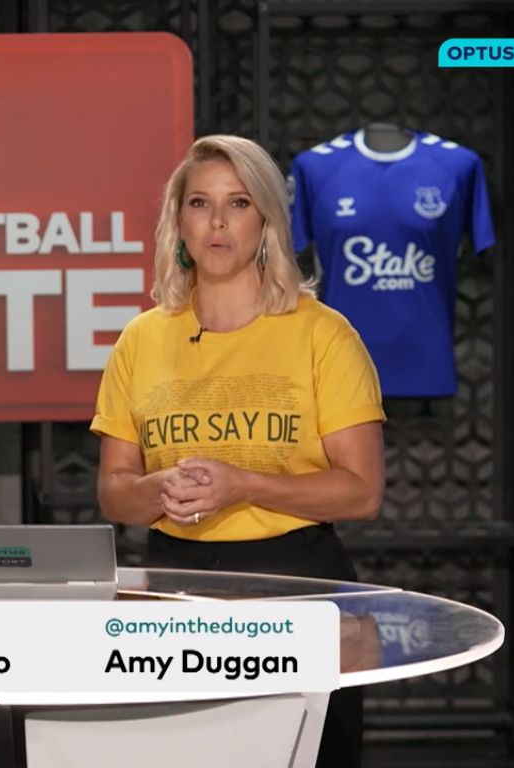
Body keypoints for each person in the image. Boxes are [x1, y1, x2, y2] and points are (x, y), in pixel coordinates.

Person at [90, 134, 387, 768]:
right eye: (200, 203)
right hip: (176, 587)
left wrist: (243, 485)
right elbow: (114, 491)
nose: (218, 221)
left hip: (298, 586)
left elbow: (362, 491)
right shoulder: (140, 340)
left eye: (239, 202)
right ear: (179, 222)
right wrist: (156, 489)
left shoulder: (324, 335)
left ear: (267, 220)